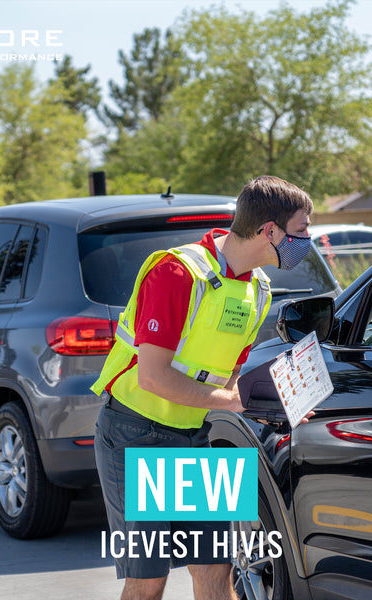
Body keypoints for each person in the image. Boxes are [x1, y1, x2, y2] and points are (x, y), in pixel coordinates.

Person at [92, 175, 314, 600]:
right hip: (134, 434)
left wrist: (274, 403)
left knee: (216, 572)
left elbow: (227, 377)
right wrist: (234, 400)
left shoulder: (259, 289)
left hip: (194, 437)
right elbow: (152, 377)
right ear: (270, 230)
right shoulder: (176, 272)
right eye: (301, 230)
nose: (307, 240)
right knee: (148, 580)